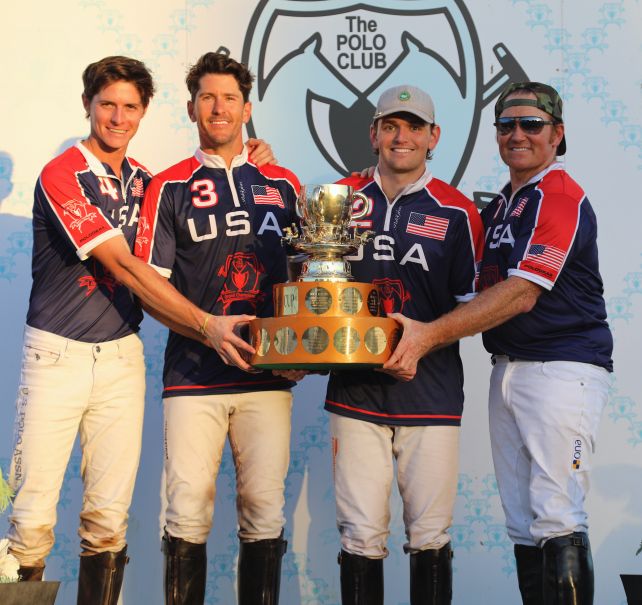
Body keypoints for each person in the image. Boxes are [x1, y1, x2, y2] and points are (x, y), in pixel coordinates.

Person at [5, 55, 274, 605]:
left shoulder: (150, 182)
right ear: (88, 105)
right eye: (107, 105)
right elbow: (126, 266)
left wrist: (256, 160)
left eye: (130, 107)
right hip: (57, 355)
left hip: (123, 358)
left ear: (145, 111)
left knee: (107, 519)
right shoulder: (62, 173)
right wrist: (205, 325)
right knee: (31, 519)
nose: (118, 118)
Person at [385, 82, 612, 604]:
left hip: (563, 370)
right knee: (522, 522)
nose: (518, 134)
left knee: (558, 516)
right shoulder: (504, 204)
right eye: (507, 125)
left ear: (557, 134)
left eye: (532, 124)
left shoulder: (560, 194)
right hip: (507, 369)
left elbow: (523, 294)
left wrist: (425, 337)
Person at [280, 85, 484, 603]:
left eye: (414, 126)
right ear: (373, 133)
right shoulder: (339, 198)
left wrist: (421, 343)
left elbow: (473, 307)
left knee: (429, 537)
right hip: (357, 393)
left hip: (431, 394)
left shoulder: (458, 211)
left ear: (433, 137)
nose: (402, 137)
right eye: (391, 125)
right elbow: (314, 288)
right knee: (360, 537)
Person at [135, 51, 300, 605]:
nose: (219, 107)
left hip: (268, 376)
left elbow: (307, 282)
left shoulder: (284, 183)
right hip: (192, 376)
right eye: (208, 97)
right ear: (191, 108)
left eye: (230, 97)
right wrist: (206, 329)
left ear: (247, 108)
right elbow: (149, 288)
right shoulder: (168, 186)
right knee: (185, 512)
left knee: (264, 513)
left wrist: (302, 351)